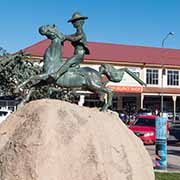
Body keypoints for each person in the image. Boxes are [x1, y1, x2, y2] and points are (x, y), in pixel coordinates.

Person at [53, 12, 90, 80]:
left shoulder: (81, 32)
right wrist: (61, 34)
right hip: (77, 53)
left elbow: (74, 39)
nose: (73, 23)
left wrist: (66, 37)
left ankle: (57, 74)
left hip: (79, 54)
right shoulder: (77, 32)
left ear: (80, 22)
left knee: (68, 62)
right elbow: (69, 36)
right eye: (73, 22)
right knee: (67, 62)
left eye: (75, 21)